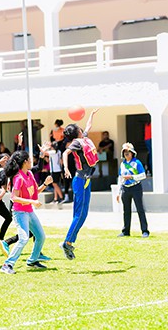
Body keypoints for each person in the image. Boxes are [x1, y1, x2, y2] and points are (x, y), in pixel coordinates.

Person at [0, 151, 53, 275]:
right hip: (20, 213)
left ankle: (32, 261)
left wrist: (45, 184)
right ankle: (7, 264)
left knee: (40, 236)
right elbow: (14, 197)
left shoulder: (29, 174)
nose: (31, 162)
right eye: (29, 160)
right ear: (25, 162)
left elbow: (35, 192)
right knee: (23, 238)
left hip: (29, 211)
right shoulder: (18, 178)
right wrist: (32, 202)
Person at [60, 109, 99, 260]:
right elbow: (65, 153)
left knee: (83, 214)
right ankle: (67, 242)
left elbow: (88, 126)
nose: (82, 128)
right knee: (79, 215)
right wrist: (66, 167)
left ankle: (69, 242)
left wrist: (92, 114)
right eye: (79, 128)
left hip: (86, 180)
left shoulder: (84, 138)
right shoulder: (76, 143)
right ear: (76, 132)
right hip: (80, 180)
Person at [116, 142, 149, 238]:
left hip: (136, 188)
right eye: (125, 151)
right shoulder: (122, 164)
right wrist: (118, 192)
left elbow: (143, 175)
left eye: (128, 151)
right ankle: (126, 231)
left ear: (132, 153)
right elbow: (120, 178)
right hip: (125, 189)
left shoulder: (137, 163)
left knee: (140, 209)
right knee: (126, 210)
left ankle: (144, 230)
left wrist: (132, 177)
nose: (126, 153)